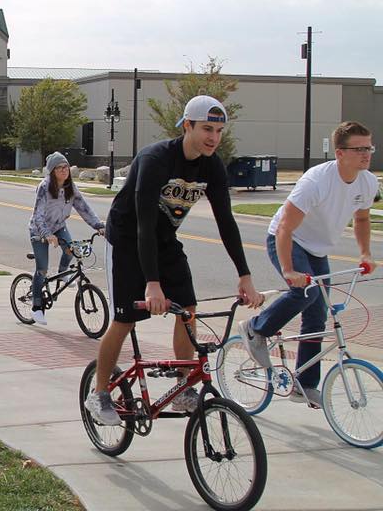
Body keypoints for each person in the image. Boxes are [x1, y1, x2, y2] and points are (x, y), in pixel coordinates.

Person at [84, 95, 264, 425]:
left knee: (187, 310)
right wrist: (152, 284)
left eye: (220, 130)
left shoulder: (212, 165)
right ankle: (99, 393)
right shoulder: (156, 159)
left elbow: (226, 221)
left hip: (164, 240)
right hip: (127, 238)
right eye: (207, 128)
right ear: (187, 126)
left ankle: (182, 389)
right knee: (125, 319)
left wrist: (245, 274)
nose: (213, 137)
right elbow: (143, 223)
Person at [239, 121, 378, 405]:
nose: (367, 154)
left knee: (317, 315)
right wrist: (289, 270)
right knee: (305, 292)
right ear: (339, 153)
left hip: (317, 249)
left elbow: (362, 219)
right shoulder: (316, 181)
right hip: (288, 240)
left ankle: (304, 384)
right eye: (359, 148)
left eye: (369, 147)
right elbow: (285, 229)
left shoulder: (367, 181)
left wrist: (365, 253)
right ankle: (256, 327)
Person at [28, 152, 105, 325]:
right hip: (38, 231)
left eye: (66, 167)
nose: (64, 170)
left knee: (71, 250)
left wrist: (98, 226)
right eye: (59, 168)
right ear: (52, 171)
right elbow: (38, 214)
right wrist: (47, 235)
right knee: (42, 269)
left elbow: (83, 208)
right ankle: (36, 308)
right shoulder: (45, 187)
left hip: (59, 226)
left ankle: (63, 273)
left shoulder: (70, 187)